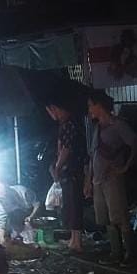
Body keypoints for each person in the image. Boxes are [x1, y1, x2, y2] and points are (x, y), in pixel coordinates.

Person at [85, 91, 137, 264]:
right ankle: (116, 252)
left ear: (99, 105)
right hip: (98, 179)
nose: (89, 109)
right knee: (107, 217)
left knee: (120, 216)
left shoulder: (118, 125)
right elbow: (92, 156)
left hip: (112, 178)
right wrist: (88, 180)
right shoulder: (97, 128)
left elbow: (136, 144)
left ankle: (130, 254)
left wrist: (125, 167)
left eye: (90, 105)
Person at [46, 99, 86, 253]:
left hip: (73, 171)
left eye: (51, 110)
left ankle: (77, 242)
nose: (51, 114)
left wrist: (57, 166)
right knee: (69, 205)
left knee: (74, 205)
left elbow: (66, 149)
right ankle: (73, 239)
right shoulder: (65, 125)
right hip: (68, 171)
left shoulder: (70, 125)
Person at [0, 180, 35, 245]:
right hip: (18, 224)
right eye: (0, 199)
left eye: (5, 198)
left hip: (33, 219)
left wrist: (31, 216)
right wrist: (2, 240)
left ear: (9, 191)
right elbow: (1, 225)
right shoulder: (0, 204)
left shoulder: (23, 192)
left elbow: (37, 204)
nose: (3, 201)